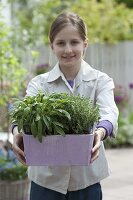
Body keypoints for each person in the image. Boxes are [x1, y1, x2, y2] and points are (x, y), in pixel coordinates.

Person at [12, 11, 119, 200]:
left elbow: (109, 112)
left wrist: (99, 133)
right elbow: (22, 112)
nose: (68, 49)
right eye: (61, 43)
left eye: (74, 42)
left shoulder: (100, 81)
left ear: (85, 44)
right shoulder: (40, 83)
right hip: (46, 182)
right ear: (51, 45)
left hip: (86, 181)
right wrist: (16, 132)